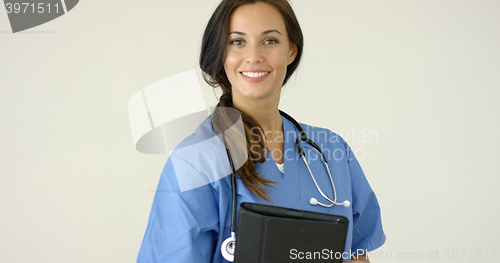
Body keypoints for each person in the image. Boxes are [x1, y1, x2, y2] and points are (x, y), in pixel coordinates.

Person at [137, 0, 385, 262]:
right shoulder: (195, 162)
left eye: (269, 41)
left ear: (291, 51)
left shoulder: (331, 150)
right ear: (221, 54)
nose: (254, 56)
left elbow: (357, 253)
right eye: (237, 42)